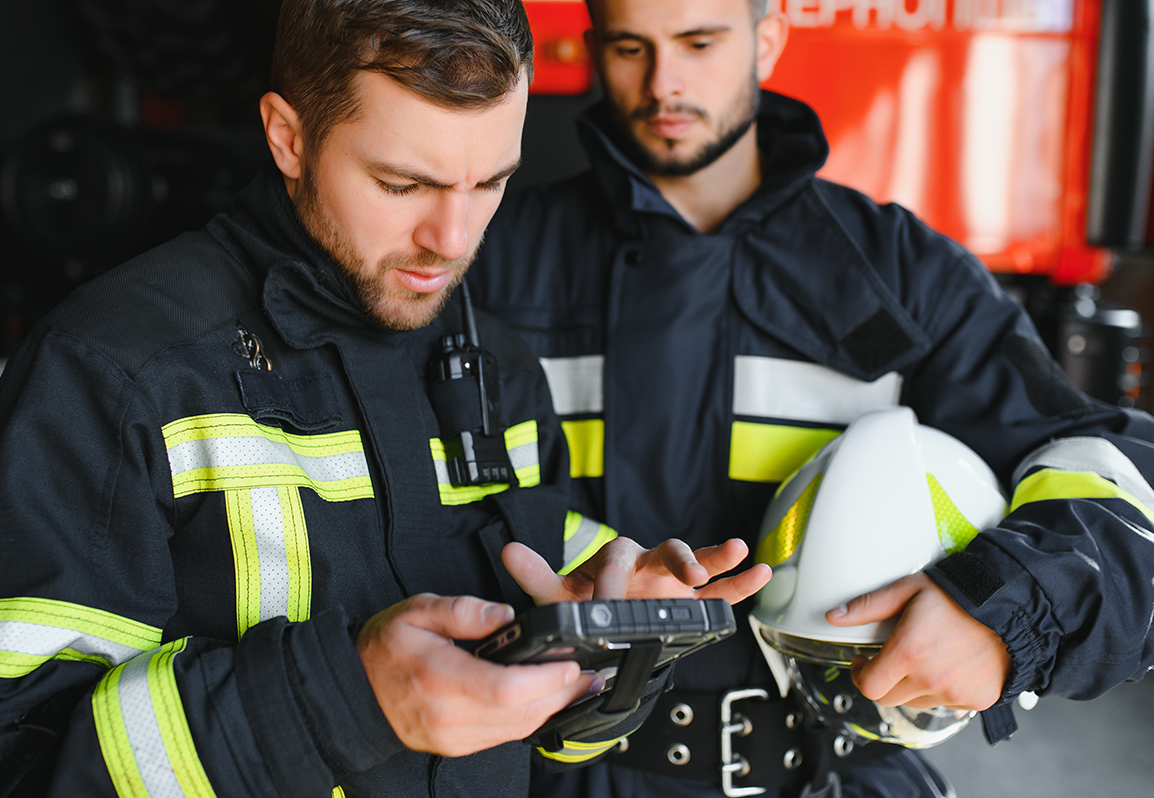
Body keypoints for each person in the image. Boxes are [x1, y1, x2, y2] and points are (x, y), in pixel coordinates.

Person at [0, 1, 774, 796]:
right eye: (401, 183)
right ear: (288, 136)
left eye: (490, 182)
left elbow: (535, 747)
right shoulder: (116, 370)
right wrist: (347, 702)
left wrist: (603, 651)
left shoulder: (500, 369)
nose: (452, 240)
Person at [468, 0, 1154, 796]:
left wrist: (1005, 612)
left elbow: (1110, 474)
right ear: (592, 51)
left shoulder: (896, 274)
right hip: (553, 767)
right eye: (631, 47)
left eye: (699, 41)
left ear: (766, 38)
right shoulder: (492, 261)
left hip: (831, 772)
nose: (665, 82)